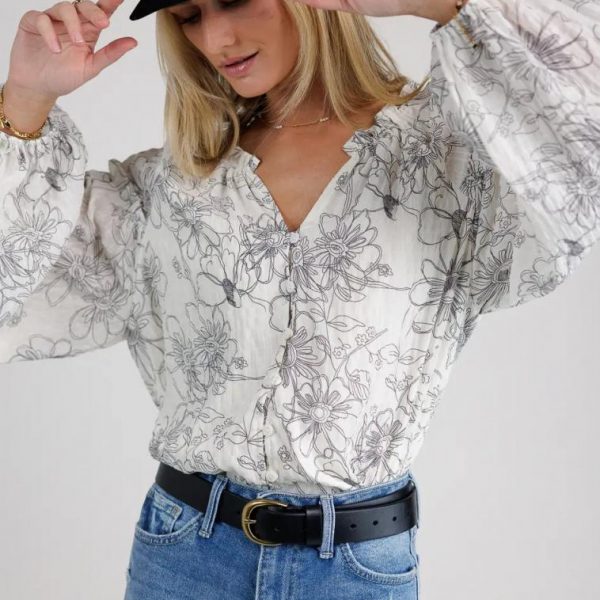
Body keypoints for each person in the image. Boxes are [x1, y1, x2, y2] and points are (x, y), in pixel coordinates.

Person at [1, 0, 598, 598]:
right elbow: (17, 278)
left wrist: (442, 3)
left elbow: (578, 131)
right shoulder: (165, 188)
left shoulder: (447, 154)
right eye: (188, 16)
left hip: (357, 569)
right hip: (184, 557)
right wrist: (27, 98)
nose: (217, 36)